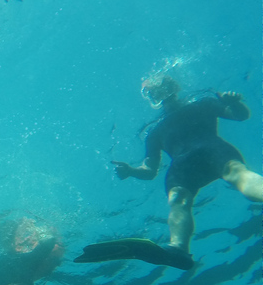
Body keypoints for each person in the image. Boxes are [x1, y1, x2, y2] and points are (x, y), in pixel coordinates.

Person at [87, 75, 263, 270]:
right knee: (178, 200)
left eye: (162, 87)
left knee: (238, 175)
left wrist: (235, 103)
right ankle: (178, 248)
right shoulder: (154, 132)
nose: (159, 93)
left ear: (174, 87)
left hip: (212, 150)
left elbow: (240, 115)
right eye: (152, 92)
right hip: (185, 166)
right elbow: (149, 170)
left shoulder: (202, 104)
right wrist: (131, 171)